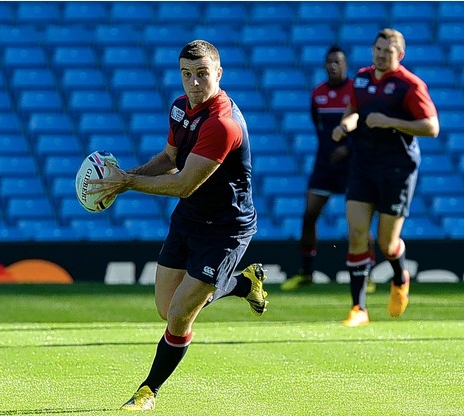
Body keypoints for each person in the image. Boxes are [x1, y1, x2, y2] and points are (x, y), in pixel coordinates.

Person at [88, 40, 269, 410]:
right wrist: (124, 177)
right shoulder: (179, 108)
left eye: (202, 74)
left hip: (225, 228)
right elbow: (170, 158)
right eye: (187, 74)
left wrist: (127, 183)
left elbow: (184, 182)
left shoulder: (222, 123)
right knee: (165, 306)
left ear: (218, 73)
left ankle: (147, 391)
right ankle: (242, 284)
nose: (194, 82)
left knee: (179, 315)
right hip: (189, 218)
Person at [331, 29, 439, 327]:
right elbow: (354, 108)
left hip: (397, 168)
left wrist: (391, 121)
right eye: (377, 49)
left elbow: (431, 127)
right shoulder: (362, 78)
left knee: (387, 243)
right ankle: (359, 309)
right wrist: (346, 124)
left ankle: (400, 276)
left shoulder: (410, 85)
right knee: (356, 233)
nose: (380, 54)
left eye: (387, 51)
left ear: (399, 55)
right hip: (364, 164)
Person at [281, 45, 376, 293]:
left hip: (353, 165)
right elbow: (319, 125)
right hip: (324, 165)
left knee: (359, 220)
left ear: (346, 65)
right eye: (330, 61)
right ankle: (306, 272)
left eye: (338, 61)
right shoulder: (318, 94)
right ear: (325, 65)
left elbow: (365, 126)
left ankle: (370, 274)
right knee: (309, 214)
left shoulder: (356, 90)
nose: (333, 65)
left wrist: (347, 148)